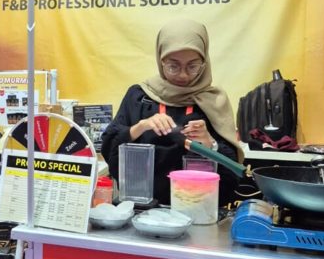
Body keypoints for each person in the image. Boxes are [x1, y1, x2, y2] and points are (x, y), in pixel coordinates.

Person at [101, 18, 241, 206]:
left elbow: (233, 171)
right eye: (173, 66)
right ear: (161, 61)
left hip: (196, 208)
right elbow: (109, 148)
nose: (183, 75)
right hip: (142, 208)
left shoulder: (213, 101)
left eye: (192, 66)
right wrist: (140, 127)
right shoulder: (139, 97)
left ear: (204, 62)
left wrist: (210, 144)